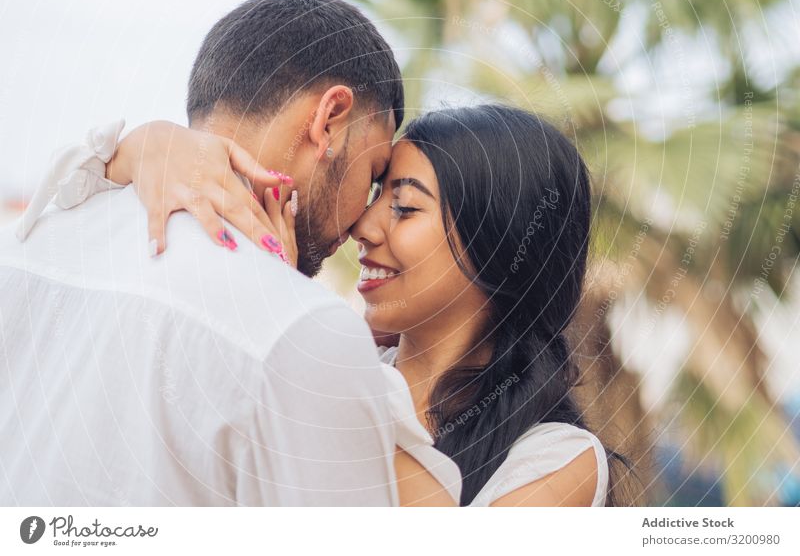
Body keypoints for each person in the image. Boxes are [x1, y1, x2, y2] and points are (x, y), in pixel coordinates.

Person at [34, 103, 637, 506]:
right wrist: (146, 144)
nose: (364, 227)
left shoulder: (558, 460)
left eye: (403, 206)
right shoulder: (331, 363)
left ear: (499, 241)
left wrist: (278, 310)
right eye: (376, 196)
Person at [0, 0, 462, 506]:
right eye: (373, 174)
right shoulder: (305, 330)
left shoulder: (30, 240)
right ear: (329, 119)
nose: (361, 222)